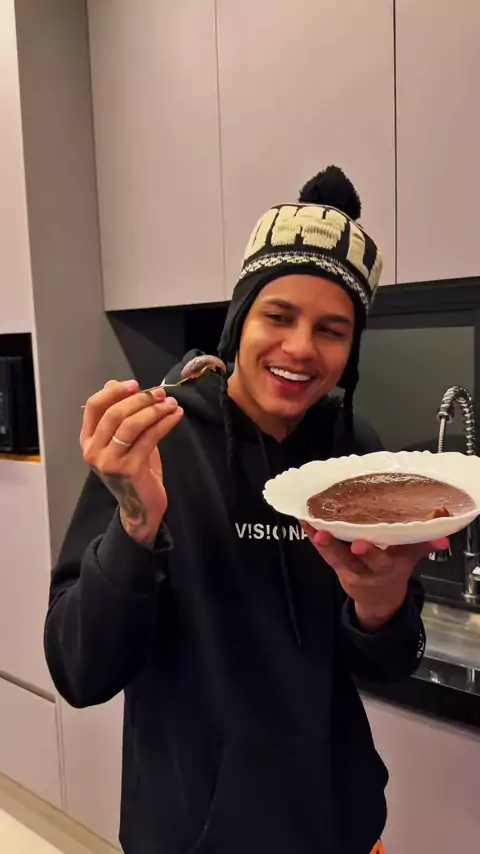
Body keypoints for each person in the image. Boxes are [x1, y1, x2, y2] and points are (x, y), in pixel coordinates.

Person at [44, 166, 447, 854]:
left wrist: (380, 606)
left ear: (352, 349)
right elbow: (79, 672)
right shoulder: (156, 441)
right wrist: (136, 528)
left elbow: (389, 662)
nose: (301, 348)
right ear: (240, 320)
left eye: (332, 329)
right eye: (278, 316)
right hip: (192, 836)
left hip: (338, 830)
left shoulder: (355, 452)